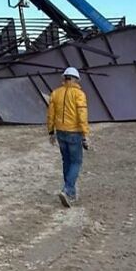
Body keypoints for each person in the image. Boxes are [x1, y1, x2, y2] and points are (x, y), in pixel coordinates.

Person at [47, 66, 90, 208]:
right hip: (74, 132)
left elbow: (50, 115)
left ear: (64, 78)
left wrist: (51, 132)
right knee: (76, 162)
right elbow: (82, 116)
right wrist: (85, 135)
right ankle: (67, 189)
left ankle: (69, 191)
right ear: (76, 79)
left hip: (60, 132)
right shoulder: (79, 94)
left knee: (66, 161)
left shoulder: (55, 93)